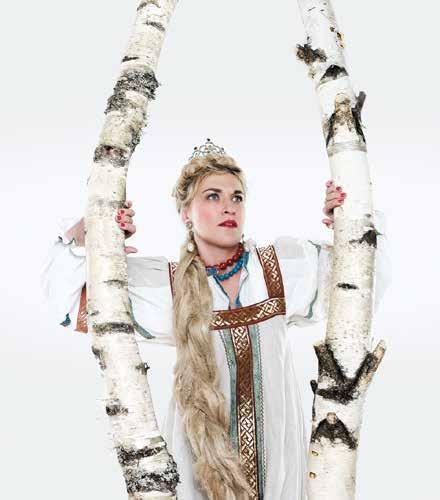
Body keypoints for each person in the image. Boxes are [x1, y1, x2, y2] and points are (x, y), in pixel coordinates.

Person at [41, 138, 391, 500]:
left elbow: (363, 290)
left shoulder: (278, 268)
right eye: (213, 196)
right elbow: (68, 308)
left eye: (237, 197)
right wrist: (94, 236)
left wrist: (347, 225)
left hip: (279, 471)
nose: (229, 207)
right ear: (185, 213)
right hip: (199, 471)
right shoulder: (168, 285)